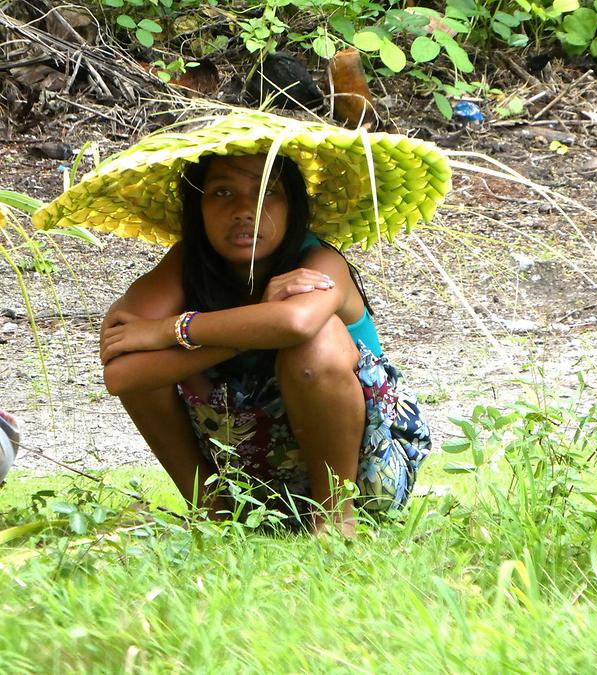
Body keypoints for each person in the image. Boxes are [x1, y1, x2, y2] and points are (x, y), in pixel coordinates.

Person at [33, 111, 452, 534]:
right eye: (221, 192)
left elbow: (296, 323)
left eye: (266, 192)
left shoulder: (320, 262)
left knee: (317, 342)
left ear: (293, 207)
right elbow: (123, 374)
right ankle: (212, 514)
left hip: (366, 476)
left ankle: (333, 519)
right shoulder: (183, 267)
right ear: (197, 208)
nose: (243, 210)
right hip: (247, 483)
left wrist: (170, 331)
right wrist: (245, 333)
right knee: (155, 366)